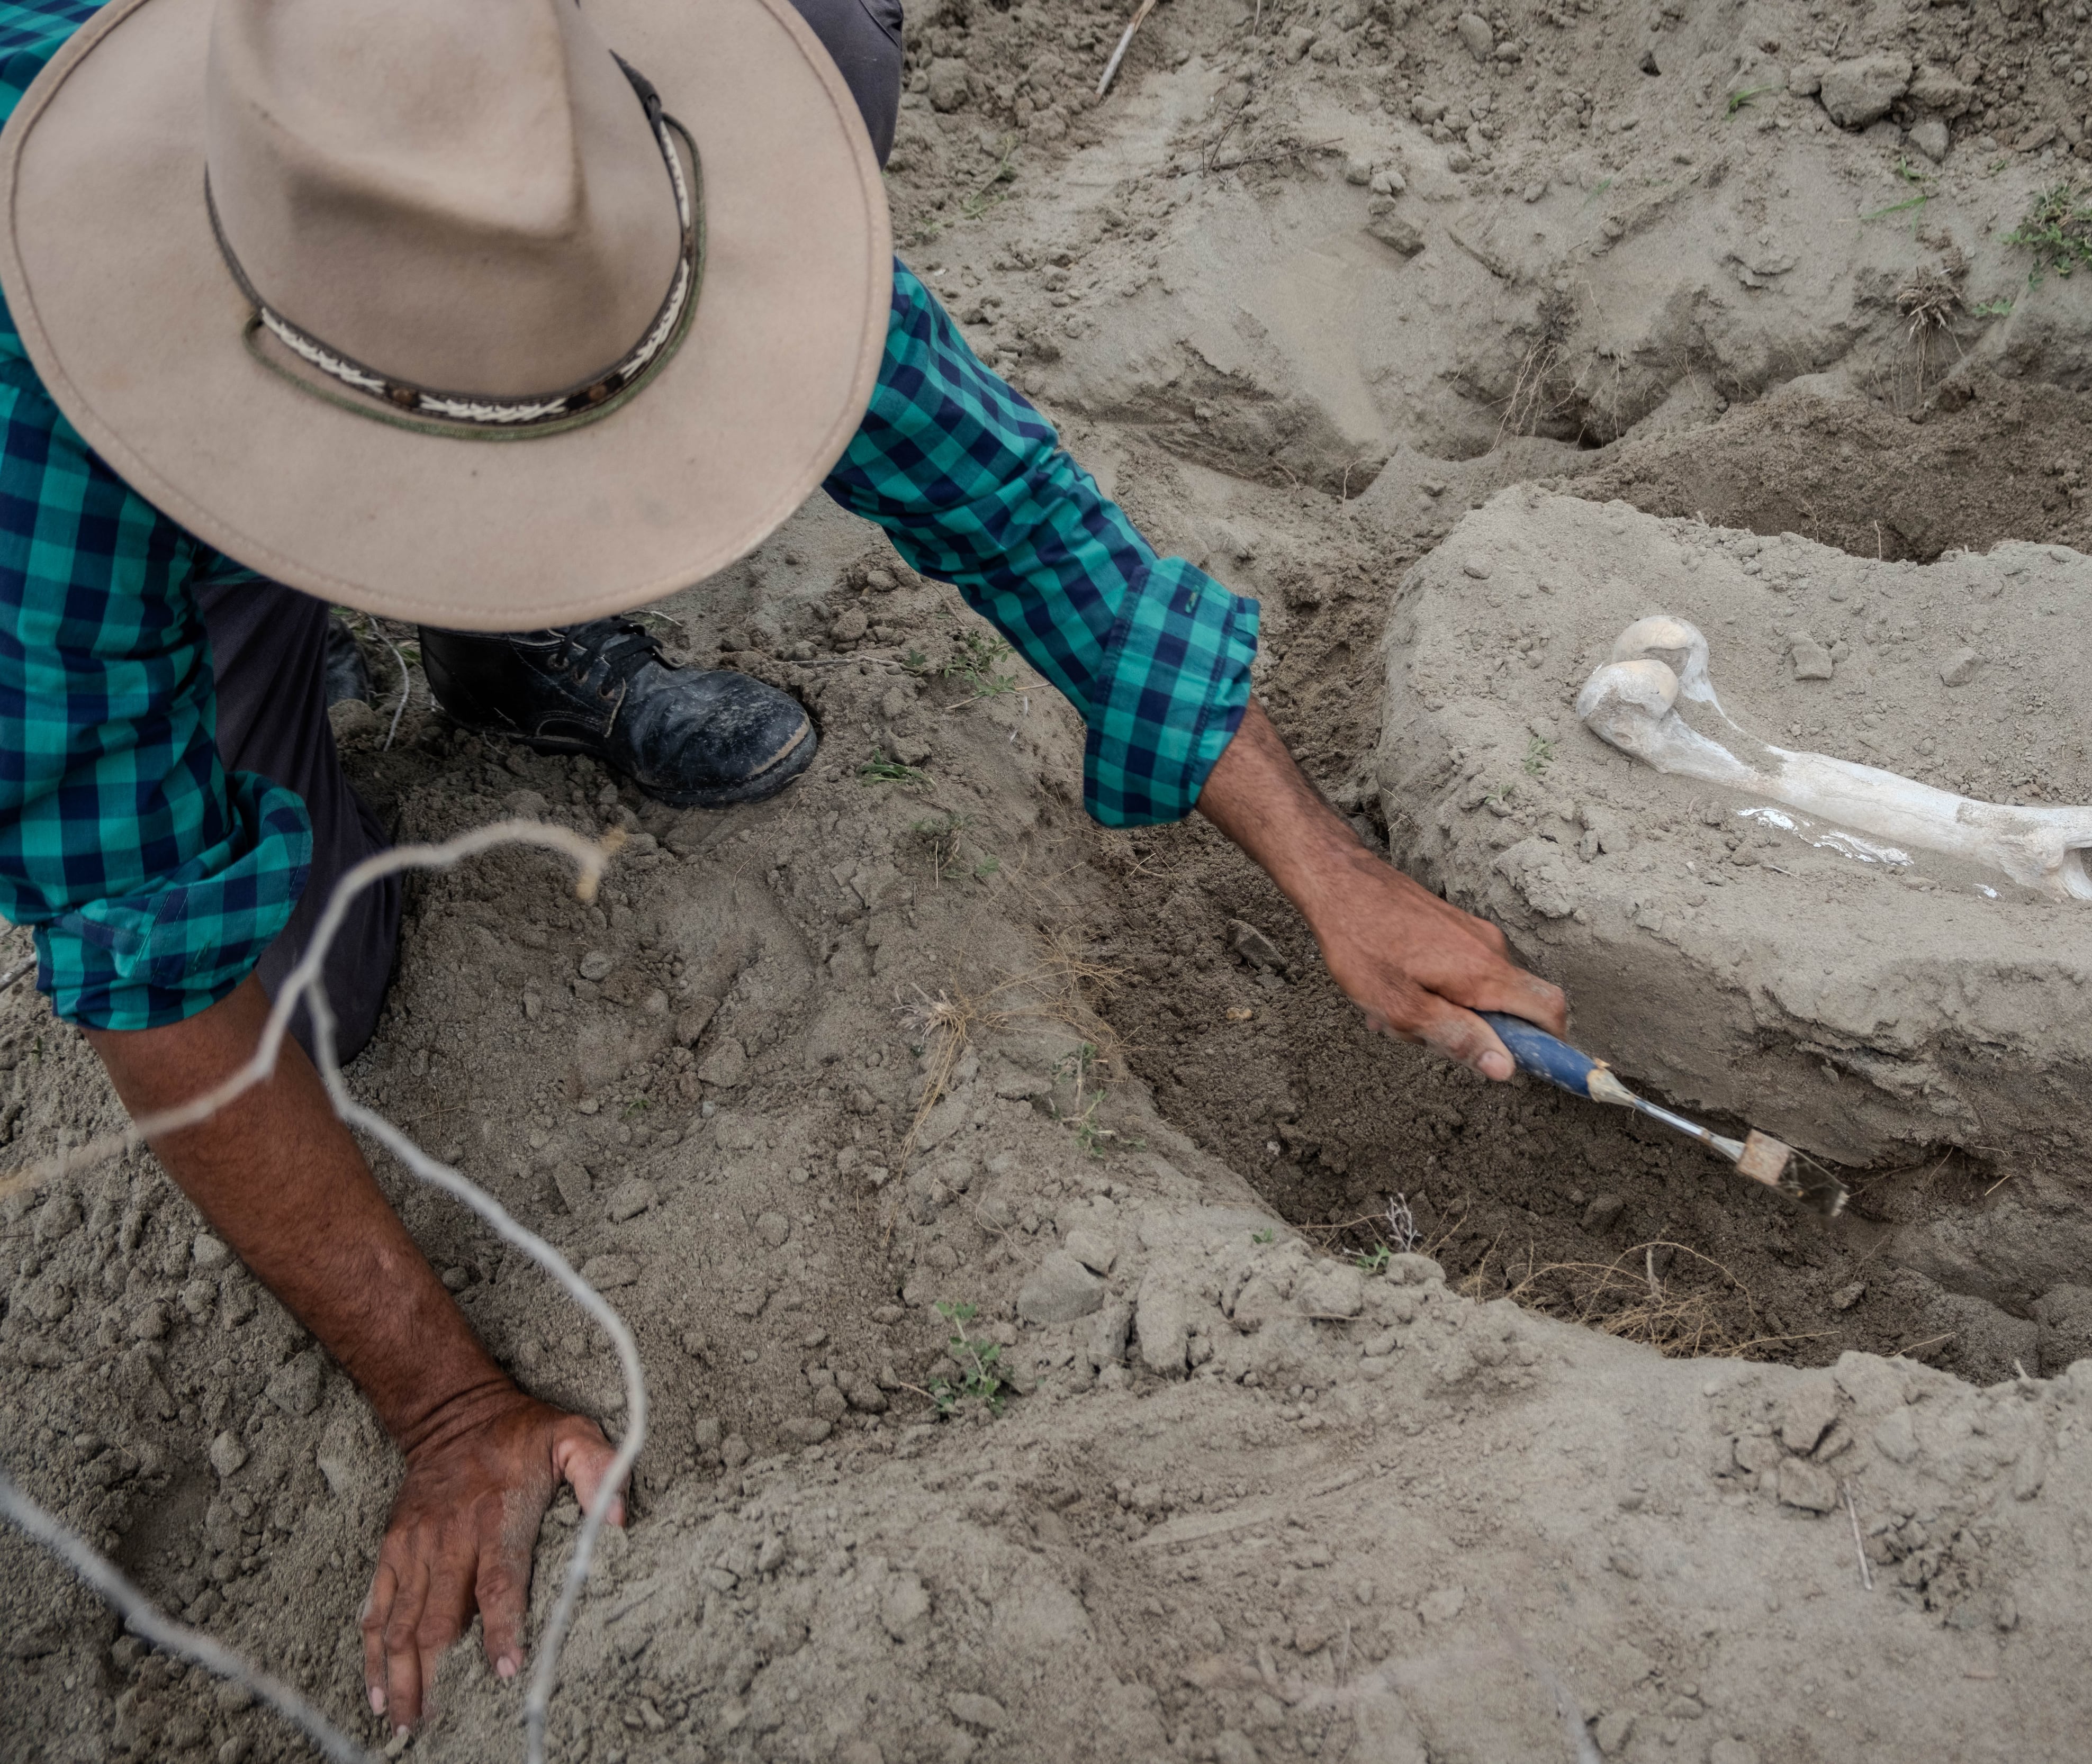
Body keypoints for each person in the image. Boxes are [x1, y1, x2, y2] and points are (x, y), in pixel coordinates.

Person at [0, 0, 1567, 1733]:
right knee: (316, 989)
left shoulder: (602, 134)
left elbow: (999, 491)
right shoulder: (39, 381)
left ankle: (504, 616)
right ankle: (283, 569)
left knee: (842, 45)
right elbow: (151, 960)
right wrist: (447, 1412)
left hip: (372, 290)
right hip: (163, 413)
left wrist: (1326, 863)